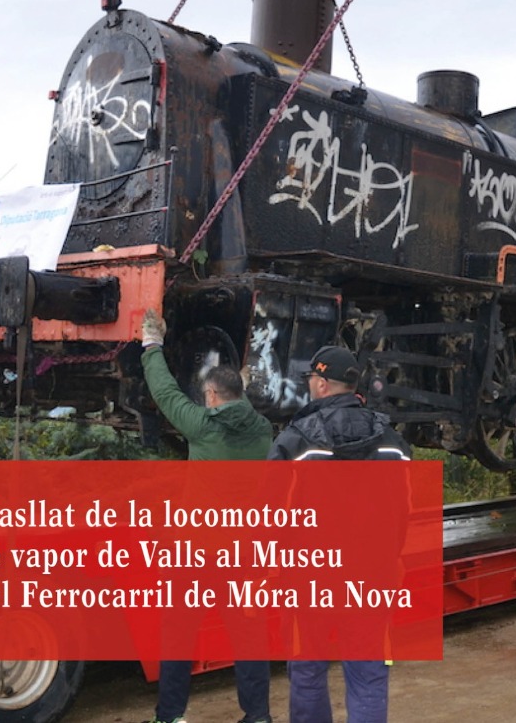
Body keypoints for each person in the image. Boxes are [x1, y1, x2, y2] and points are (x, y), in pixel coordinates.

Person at [139, 308, 274, 723]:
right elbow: (241, 410)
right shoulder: (263, 431)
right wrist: (241, 391)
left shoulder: (202, 426)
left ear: (211, 397)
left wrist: (151, 344)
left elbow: (165, 393)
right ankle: (258, 716)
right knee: (249, 637)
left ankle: (171, 716)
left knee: (178, 636)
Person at [268, 345, 412, 723]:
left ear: (320, 384)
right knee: (367, 673)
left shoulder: (296, 441)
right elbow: (402, 514)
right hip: (371, 577)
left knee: (308, 671)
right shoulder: (391, 443)